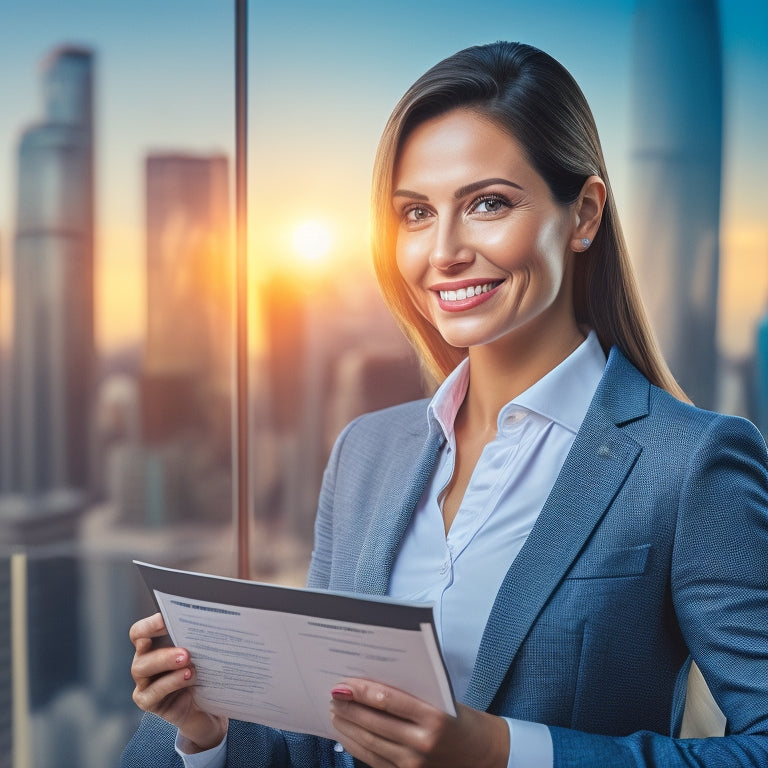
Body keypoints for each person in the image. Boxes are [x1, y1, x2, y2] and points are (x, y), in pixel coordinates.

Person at [122, 41, 768, 767]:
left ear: (583, 215)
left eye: (489, 204)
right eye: (417, 213)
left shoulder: (688, 464)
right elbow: (313, 743)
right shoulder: (368, 451)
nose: (445, 252)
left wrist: (503, 752)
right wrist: (208, 731)